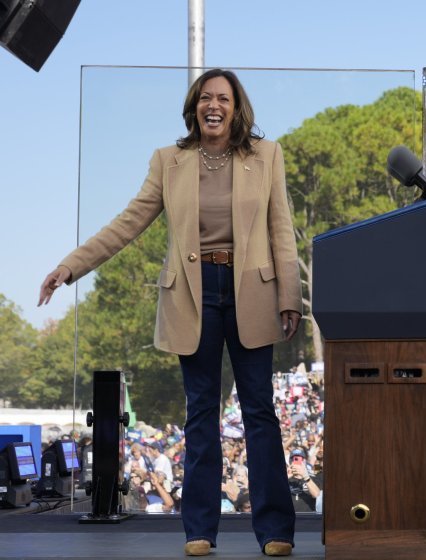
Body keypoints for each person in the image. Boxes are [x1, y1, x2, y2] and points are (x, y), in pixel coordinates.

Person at [38, 69, 300, 558]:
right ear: (194, 107)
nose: (213, 105)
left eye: (223, 98)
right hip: (193, 297)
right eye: (205, 98)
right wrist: (68, 267)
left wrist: (291, 296)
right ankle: (199, 530)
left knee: (260, 413)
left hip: (252, 294)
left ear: (237, 107)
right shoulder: (169, 161)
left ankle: (275, 531)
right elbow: (127, 223)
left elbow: (281, 228)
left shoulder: (266, 156)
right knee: (200, 414)